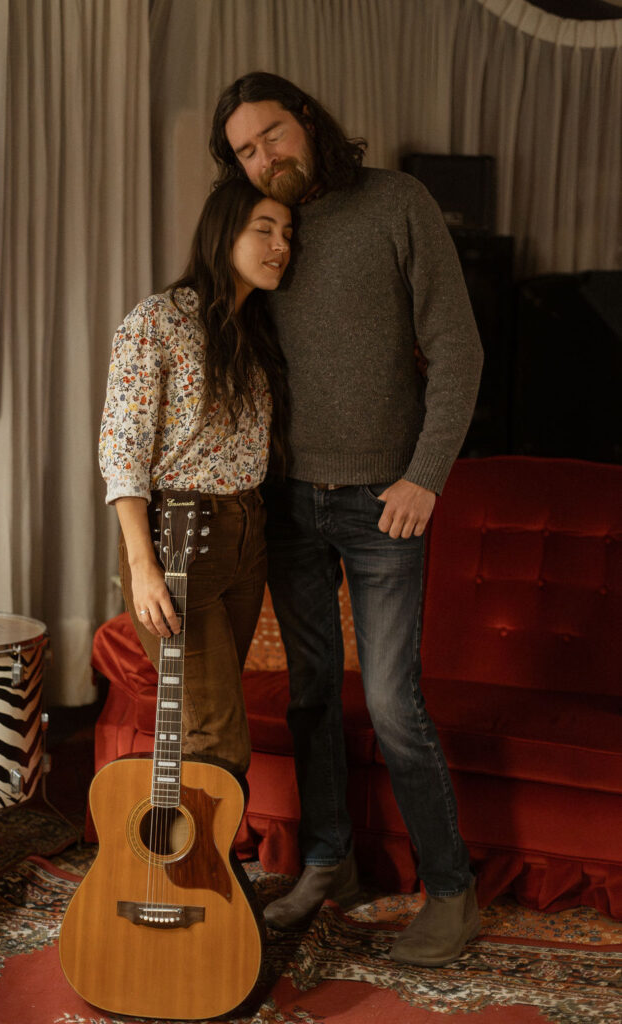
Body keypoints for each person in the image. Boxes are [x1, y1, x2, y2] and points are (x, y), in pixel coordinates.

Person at [209, 72, 485, 966]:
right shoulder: (262, 231)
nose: (264, 158)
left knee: (395, 705)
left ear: (309, 122)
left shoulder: (396, 202)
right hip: (286, 502)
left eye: (273, 135)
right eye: (246, 150)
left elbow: (457, 350)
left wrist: (424, 478)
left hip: (383, 506)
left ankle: (450, 894)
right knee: (311, 695)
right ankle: (330, 862)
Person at [99, 177, 292, 775]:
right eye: (264, 230)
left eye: (287, 234)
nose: (280, 245)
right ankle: (201, 868)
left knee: (206, 714)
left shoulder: (259, 332)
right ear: (223, 233)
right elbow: (122, 452)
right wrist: (142, 567)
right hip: (177, 534)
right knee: (215, 731)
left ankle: (193, 853)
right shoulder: (156, 320)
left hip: (247, 533)